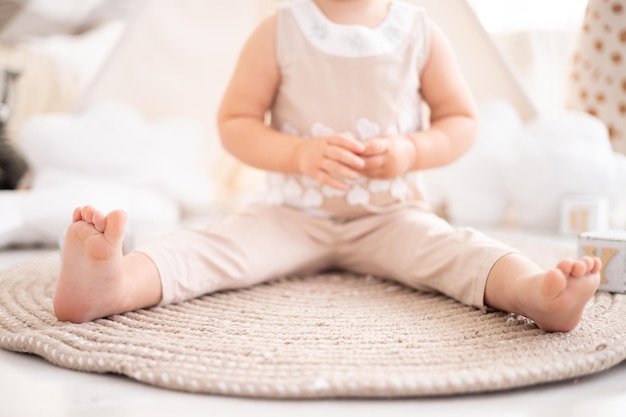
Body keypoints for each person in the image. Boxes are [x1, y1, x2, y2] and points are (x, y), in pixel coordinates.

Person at [53, 0, 601, 332]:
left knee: (459, 252)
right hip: (292, 214)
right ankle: (115, 284)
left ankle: (535, 294)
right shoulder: (279, 30)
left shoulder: (420, 34)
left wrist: (411, 151)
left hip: (392, 217)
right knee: (215, 249)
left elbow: (461, 121)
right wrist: (296, 154)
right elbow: (236, 122)